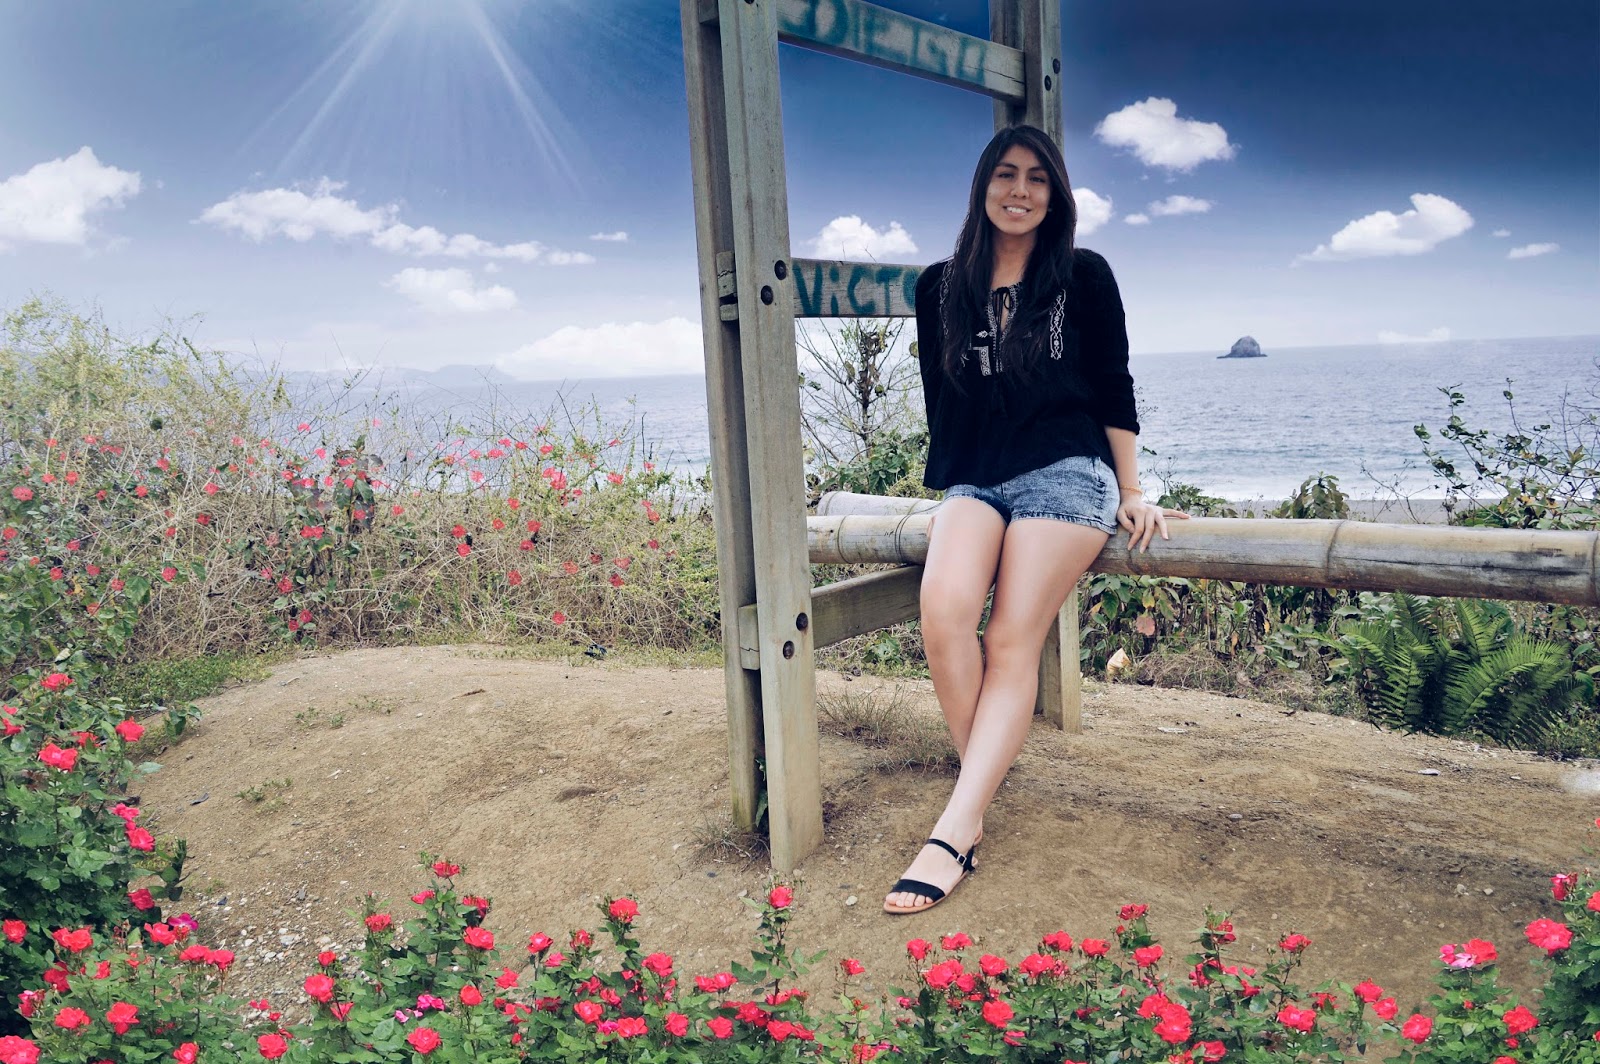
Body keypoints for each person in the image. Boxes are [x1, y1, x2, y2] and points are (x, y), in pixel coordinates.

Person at [884, 124, 1187, 915]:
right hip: (974, 478)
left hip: (1067, 472)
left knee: (1009, 639)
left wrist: (1132, 488)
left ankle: (955, 830)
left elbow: (1114, 385)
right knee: (943, 613)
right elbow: (942, 399)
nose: (1020, 191)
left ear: (1055, 196)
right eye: (1006, 174)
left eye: (1037, 179)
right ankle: (977, 795)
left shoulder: (1083, 274)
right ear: (983, 186)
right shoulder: (938, 287)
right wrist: (952, 493)